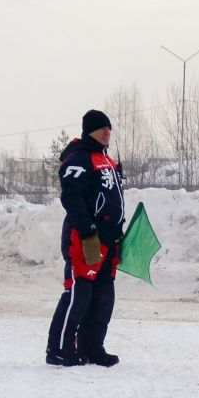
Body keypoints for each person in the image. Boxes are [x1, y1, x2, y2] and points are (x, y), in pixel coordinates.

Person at [46, 109, 124, 368]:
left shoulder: (108, 161)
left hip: (109, 239)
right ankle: (59, 349)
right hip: (85, 237)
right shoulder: (79, 159)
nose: (107, 133)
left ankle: (92, 347)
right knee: (79, 292)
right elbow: (71, 196)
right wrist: (87, 227)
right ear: (90, 131)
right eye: (102, 129)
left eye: (109, 129)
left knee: (103, 296)